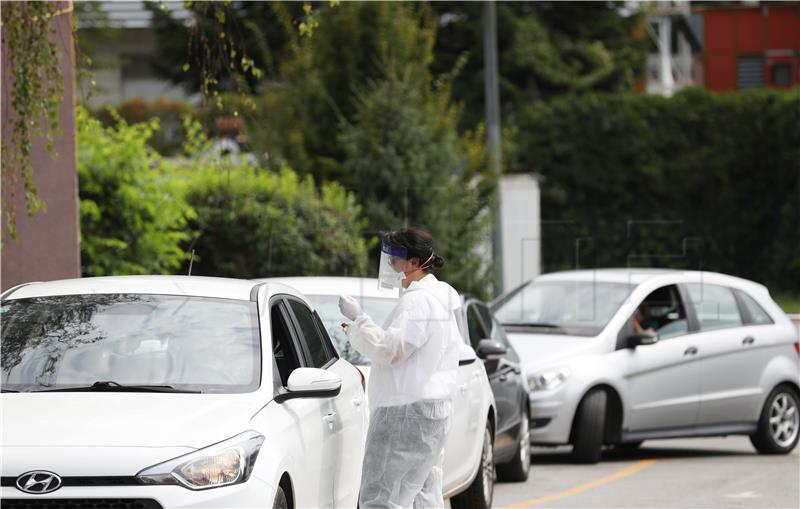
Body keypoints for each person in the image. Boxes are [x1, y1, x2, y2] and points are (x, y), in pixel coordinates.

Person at [338, 228, 462, 509]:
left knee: (382, 498)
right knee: (423, 494)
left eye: (395, 259)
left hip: (405, 414)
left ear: (414, 263)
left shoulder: (418, 301)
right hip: (433, 414)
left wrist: (359, 319)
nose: (390, 265)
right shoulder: (442, 298)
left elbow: (392, 350)